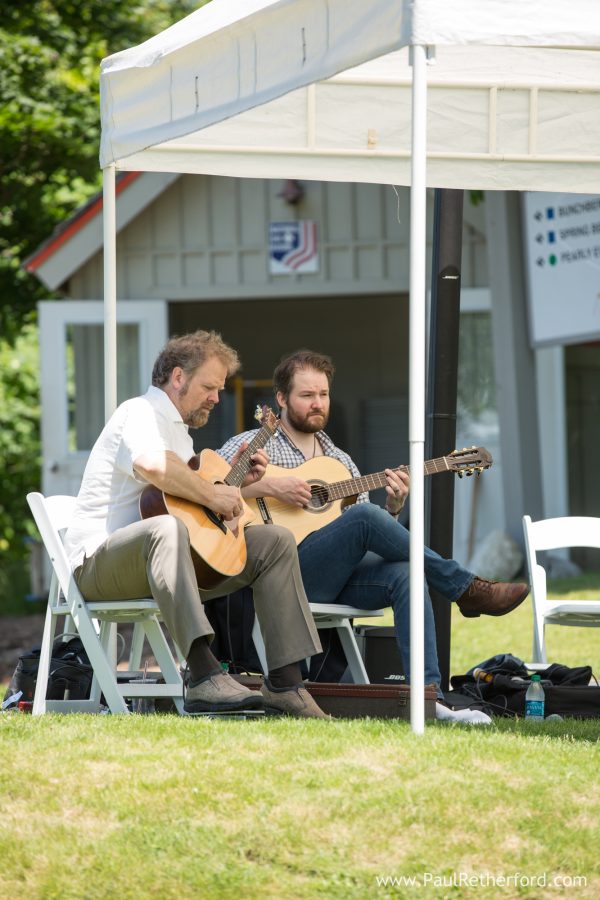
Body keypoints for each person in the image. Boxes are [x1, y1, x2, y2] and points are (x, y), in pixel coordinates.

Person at [218, 349, 530, 725]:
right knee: (367, 516)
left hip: (329, 579)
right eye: (306, 396)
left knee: (406, 573)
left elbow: (364, 540)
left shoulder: (340, 462)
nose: (318, 404)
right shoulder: (255, 443)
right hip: (279, 576)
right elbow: (214, 489)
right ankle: (465, 587)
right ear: (282, 399)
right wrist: (270, 486)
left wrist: (395, 508)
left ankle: (429, 699)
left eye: (324, 394)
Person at [63, 332, 329, 718]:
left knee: (273, 540)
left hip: (162, 564)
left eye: (219, 389)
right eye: (208, 386)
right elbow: (155, 469)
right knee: (166, 531)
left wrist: (238, 479)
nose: (215, 398)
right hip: (97, 565)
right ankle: (204, 675)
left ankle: (286, 684)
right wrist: (211, 494)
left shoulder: (179, 433)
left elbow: (189, 499)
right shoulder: (138, 413)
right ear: (177, 378)